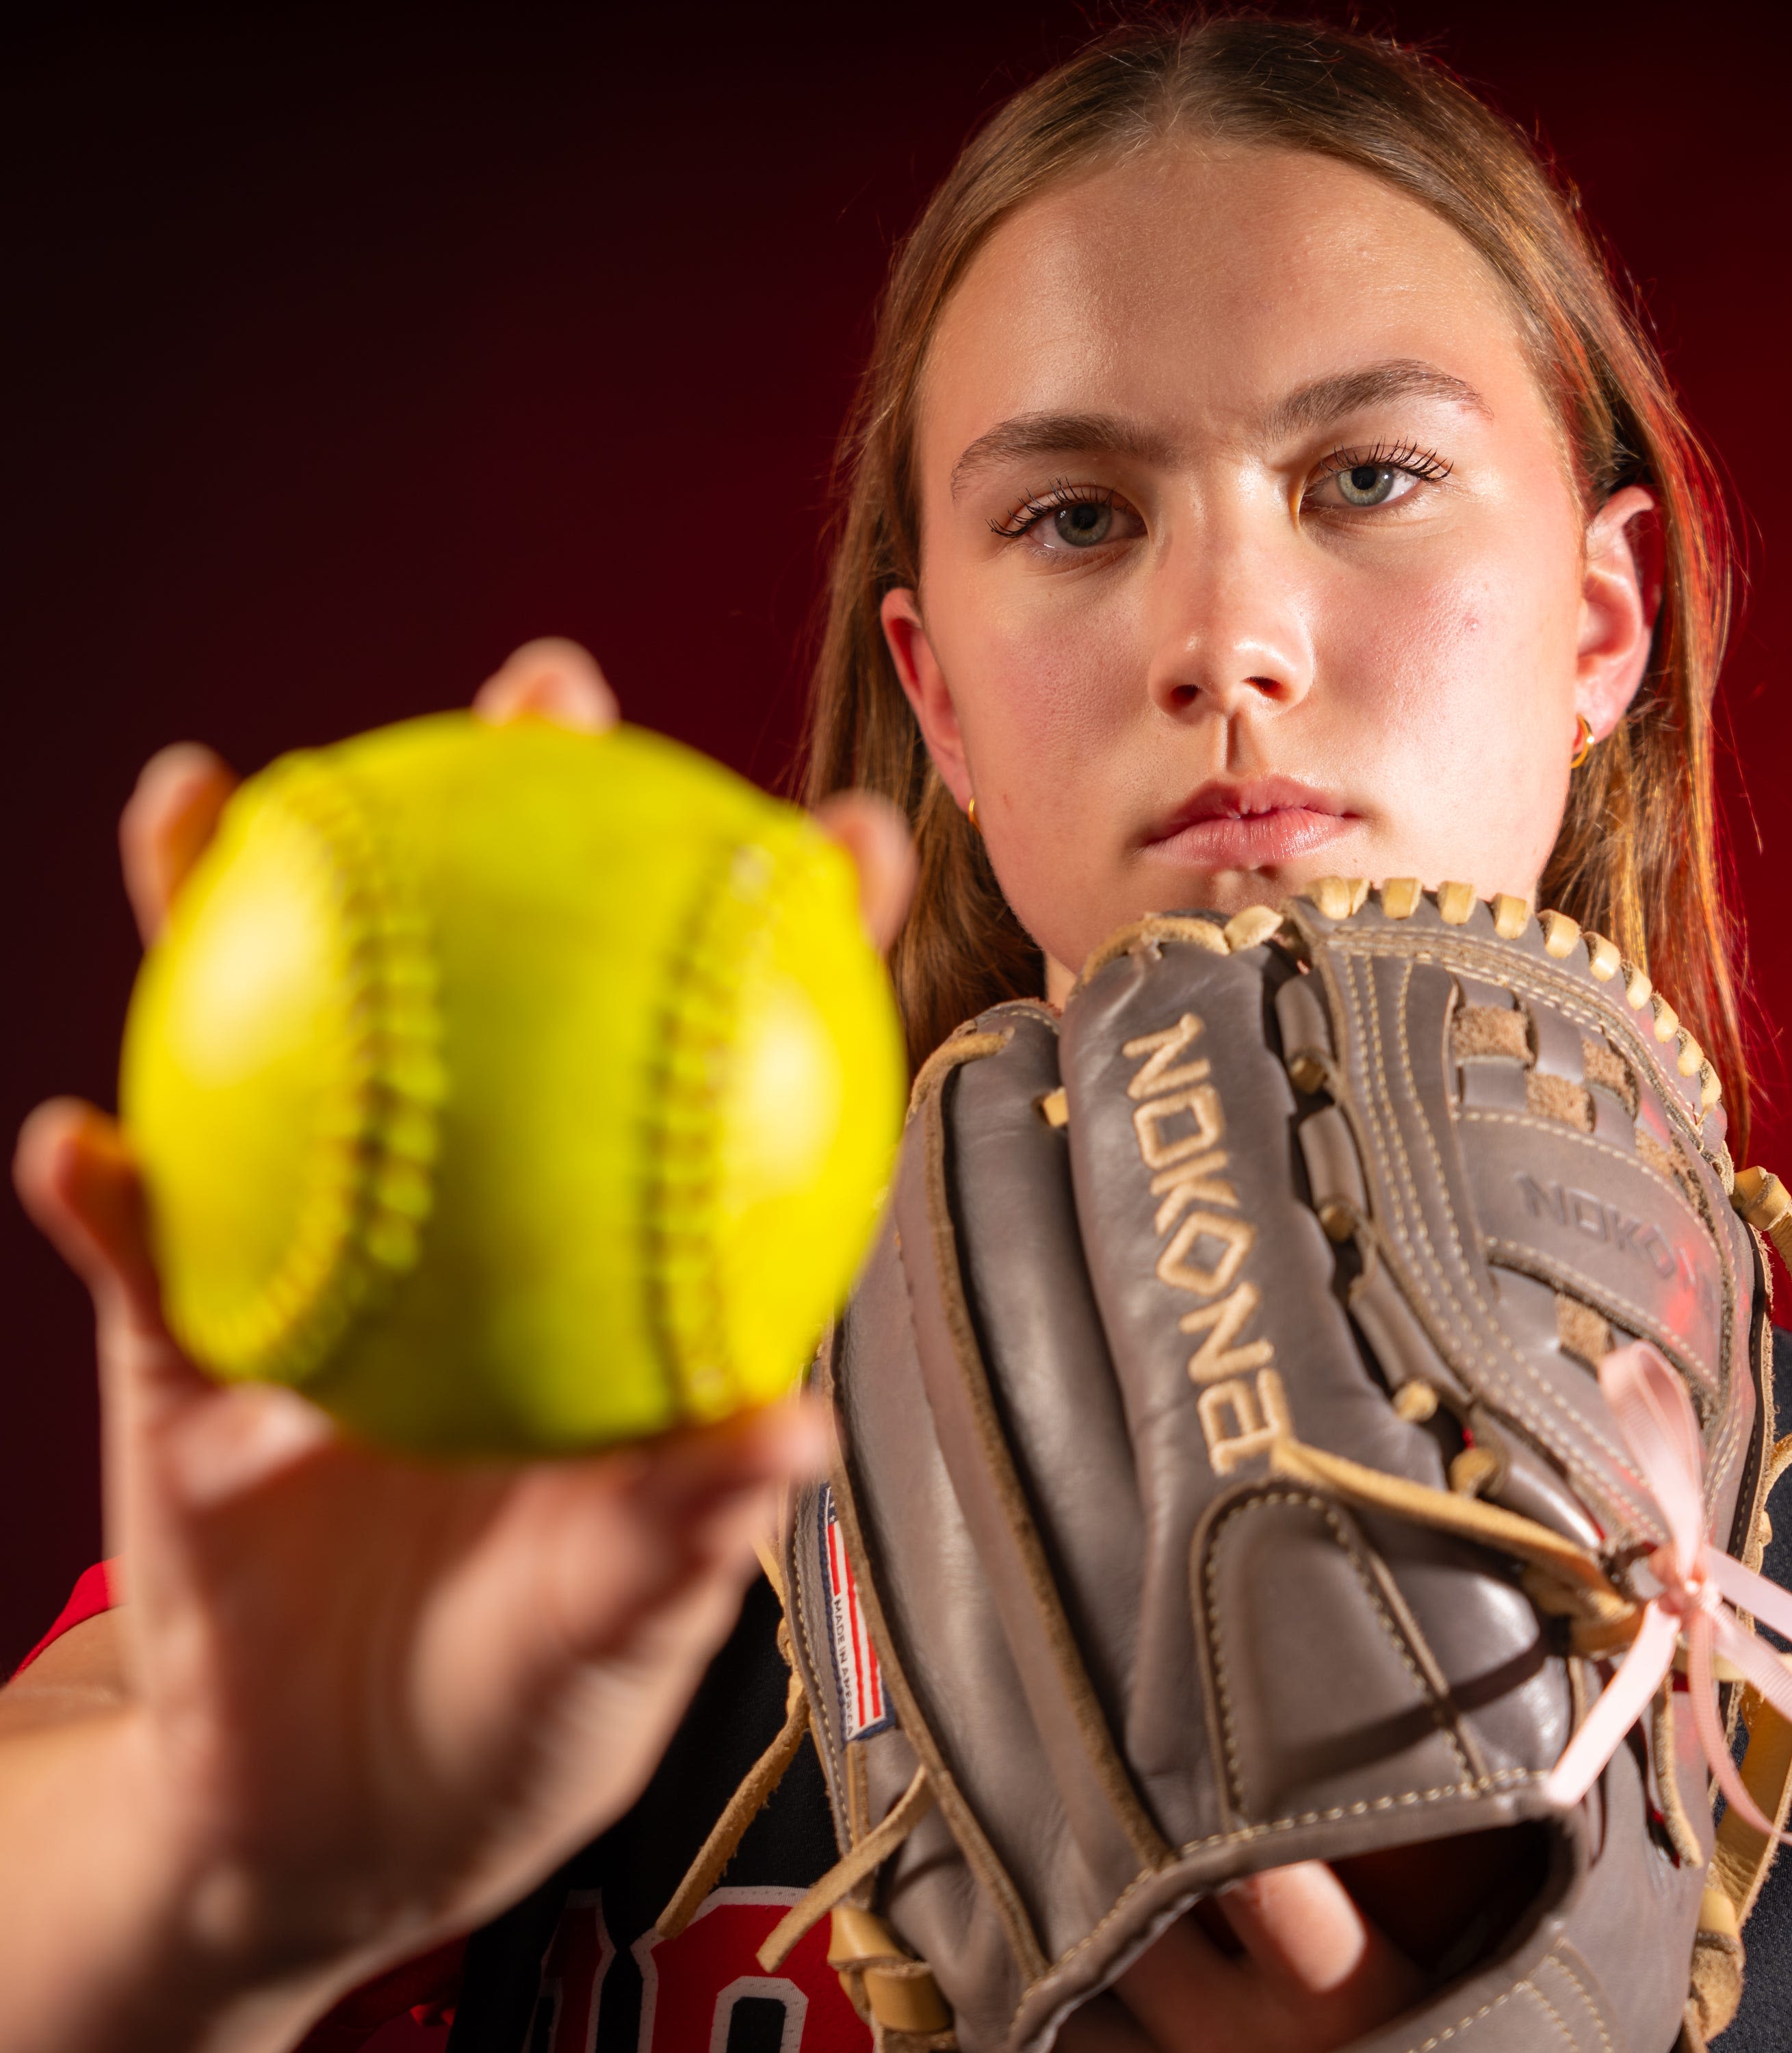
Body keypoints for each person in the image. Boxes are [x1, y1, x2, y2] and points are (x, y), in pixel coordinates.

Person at [3, 14, 1785, 2052]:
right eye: (1076, 518)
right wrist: (221, 1856)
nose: (1226, 641)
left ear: (1599, 622)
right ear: (935, 700)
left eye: (1365, 476)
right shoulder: (603, 1450)